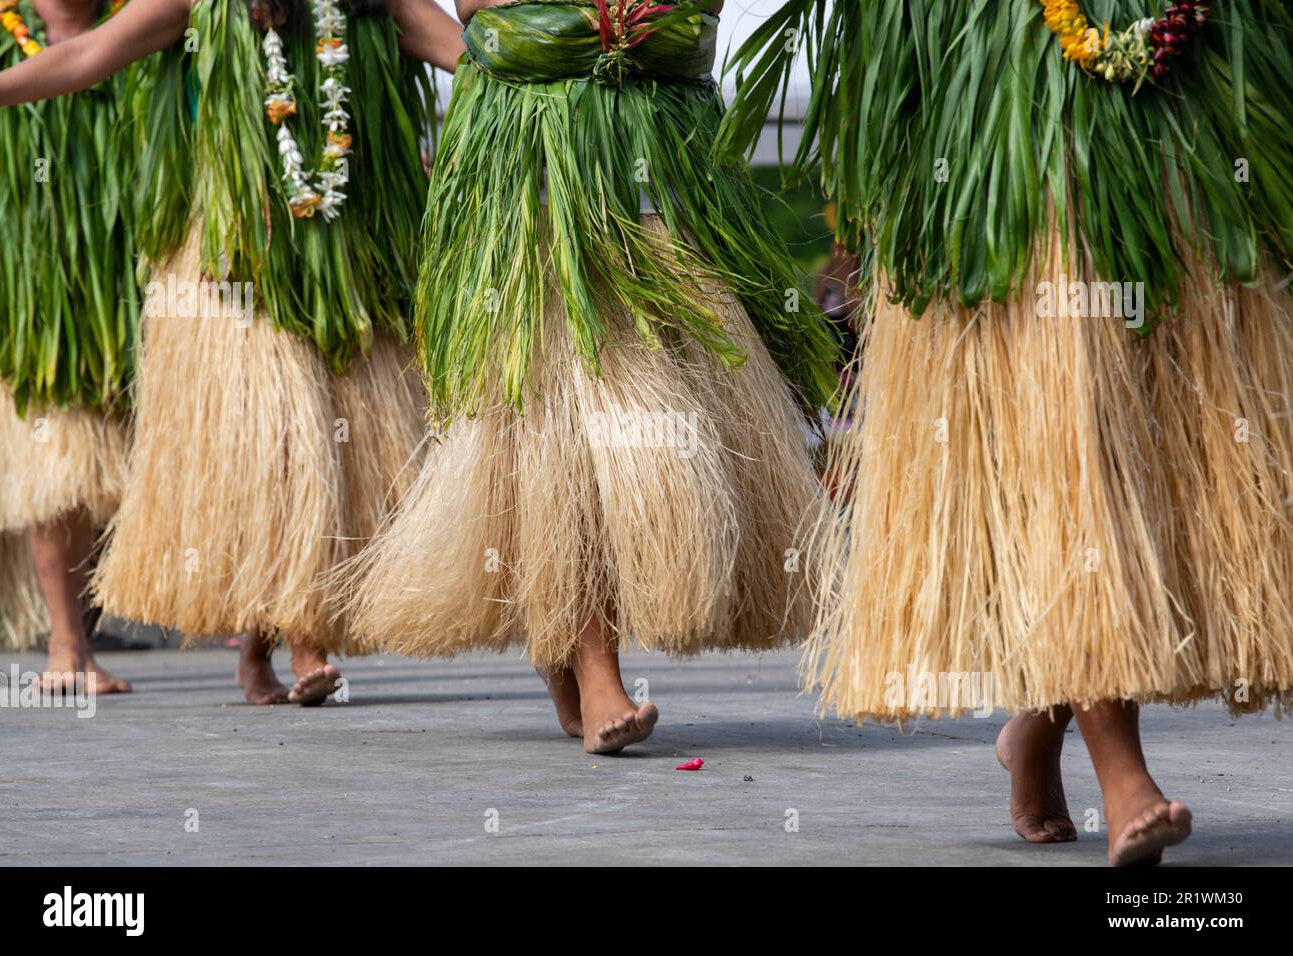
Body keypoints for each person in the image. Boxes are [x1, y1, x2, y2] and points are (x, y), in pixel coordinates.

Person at [722, 0, 1293, 865]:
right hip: (1011, 112)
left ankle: (1038, 729)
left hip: (1174, 99)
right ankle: (1123, 776)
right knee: (1075, 442)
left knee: (1148, 444)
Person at [339, 0, 838, 753]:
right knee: (571, 429)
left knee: (652, 427)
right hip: (534, 165)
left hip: (660, 157)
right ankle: (597, 668)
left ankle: (566, 645)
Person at [0, 0, 467, 704]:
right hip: (228, 256)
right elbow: (88, 55)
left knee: (337, 445)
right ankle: (305, 644)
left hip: (346, 254)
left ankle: (264, 643)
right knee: (285, 442)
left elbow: (473, 60)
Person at [0, 0, 137, 693]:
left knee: (107, 467)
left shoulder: (135, 23)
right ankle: (64, 647)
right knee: (55, 461)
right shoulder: (1, 33)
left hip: (131, 282)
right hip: (25, 295)